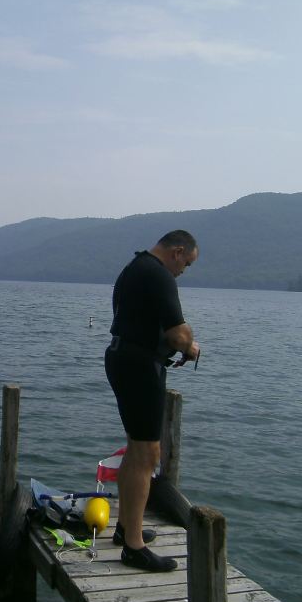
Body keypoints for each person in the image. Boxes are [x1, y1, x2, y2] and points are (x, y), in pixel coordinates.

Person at [104, 230, 200, 572]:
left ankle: (125, 528)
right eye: (185, 264)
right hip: (139, 365)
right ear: (177, 252)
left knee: (136, 448)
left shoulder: (135, 267)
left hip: (124, 358)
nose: (182, 271)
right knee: (147, 453)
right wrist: (190, 347)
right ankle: (134, 547)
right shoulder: (158, 274)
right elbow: (178, 332)